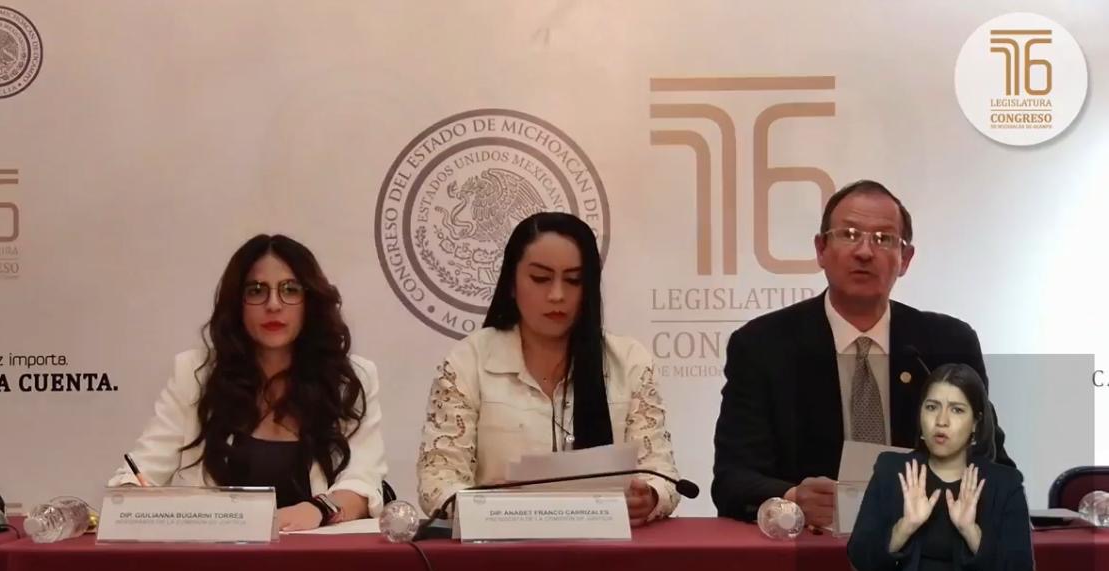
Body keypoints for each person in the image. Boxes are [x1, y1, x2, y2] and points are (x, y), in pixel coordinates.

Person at [711, 179, 1013, 526]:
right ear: (821, 249)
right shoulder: (763, 345)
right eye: (849, 234)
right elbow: (733, 480)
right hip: (809, 546)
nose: (865, 252)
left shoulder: (947, 344)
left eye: (883, 239)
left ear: (905, 259)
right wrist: (792, 498)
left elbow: (994, 465)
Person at [108, 234, 388, 532]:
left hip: (316, 554)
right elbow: (140, 472)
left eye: (290, 290)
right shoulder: (195, 375)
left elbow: (363, 483)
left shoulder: (349, 380)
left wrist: (319, 508)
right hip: (218, 555)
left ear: (310, 301)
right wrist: (130, 497)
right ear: (237, 303)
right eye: (256, 291)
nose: (273, 304)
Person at [417, 212, 682, 525]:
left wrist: (650, 496)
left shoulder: (629, 362)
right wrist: (487, 502)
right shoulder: (468, 361)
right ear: (511, 283)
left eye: (573, 281)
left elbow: (662, 475)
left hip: (605, 546)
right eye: (540, 279)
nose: (557, 295)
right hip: (499, 544)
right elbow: (437, 482)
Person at [848, 363, 1033, 571]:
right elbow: (860, 557)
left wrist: (972, 533)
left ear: (976, 422)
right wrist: (903, 528)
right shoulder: (892, 470)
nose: (941, 421)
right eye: (932, 407)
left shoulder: (1004, 483)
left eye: (957, 410)